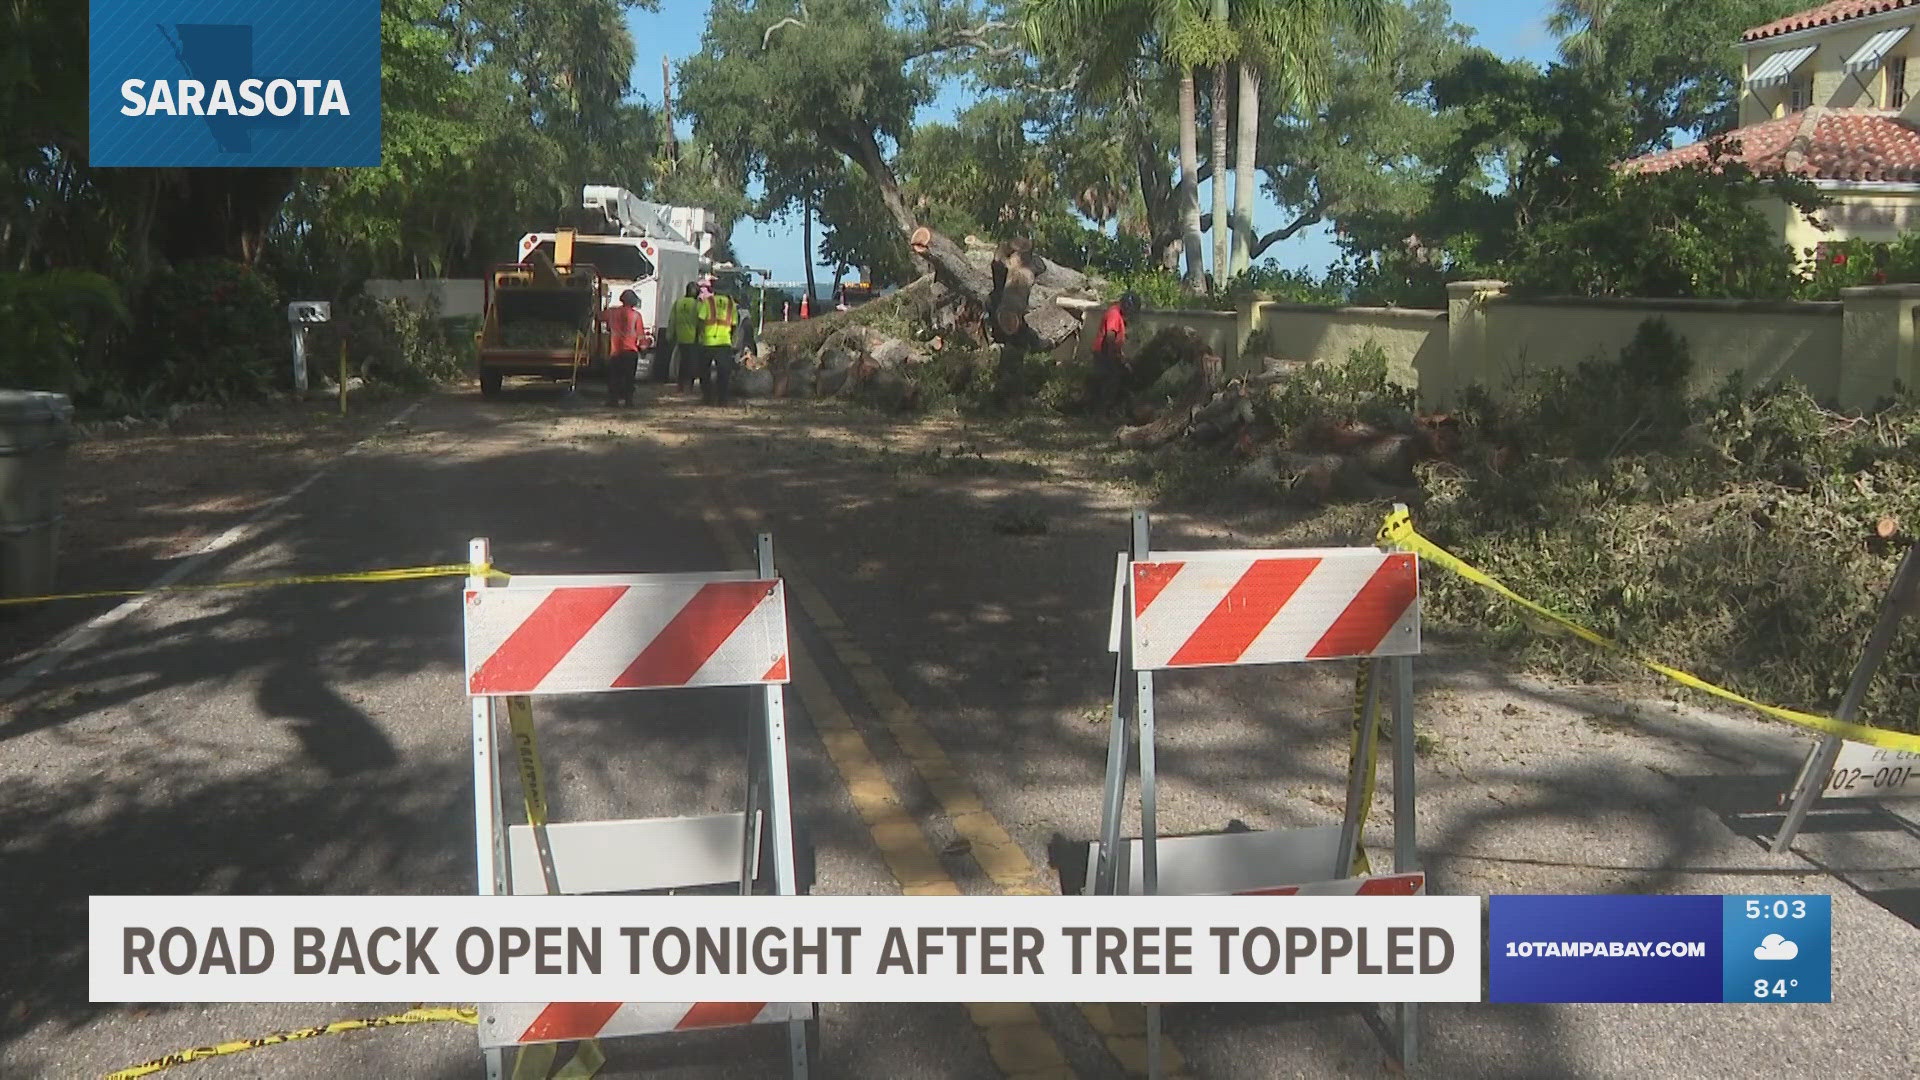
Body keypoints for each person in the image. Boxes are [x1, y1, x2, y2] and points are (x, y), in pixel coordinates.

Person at [1091, 291, 1141, 411]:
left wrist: (1121, 355)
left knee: (1113, 381)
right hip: (1104, 354)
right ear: (1127, 305)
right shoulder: (1114, 314)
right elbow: (1110, 336)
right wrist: (1116, 356)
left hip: (1109, 353)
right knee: (1110, 382)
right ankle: (1101, 413)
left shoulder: (1118, 314)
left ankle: (1109, 410)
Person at [600, 288, 646, 407]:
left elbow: (599, 316)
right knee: (629, 378)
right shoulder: (636, 315)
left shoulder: (612, 312)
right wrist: (643, 348)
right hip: (630, 352)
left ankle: (613, 400)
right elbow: (640, 335)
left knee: (614, 377)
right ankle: (628, 401)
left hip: (616, 351)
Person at [695, 282, 737, 405]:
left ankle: (707, 397)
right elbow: (734, 324)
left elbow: (701, 320)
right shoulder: (731, 304)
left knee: (704, 371)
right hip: (724, 342)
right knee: (723, 373)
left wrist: (701, 334)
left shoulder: (708, 302)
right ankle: (722, 399)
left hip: (708, 341)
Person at [666, 282, 699, 387]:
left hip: (680, 337)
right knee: (692, 363)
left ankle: (680, 385)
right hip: (693, 337)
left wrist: (670, 335)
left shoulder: (678, 303)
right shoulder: (697, 304)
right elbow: (701, 321)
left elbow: (672, 320)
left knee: (683, 362)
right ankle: (689, 385)